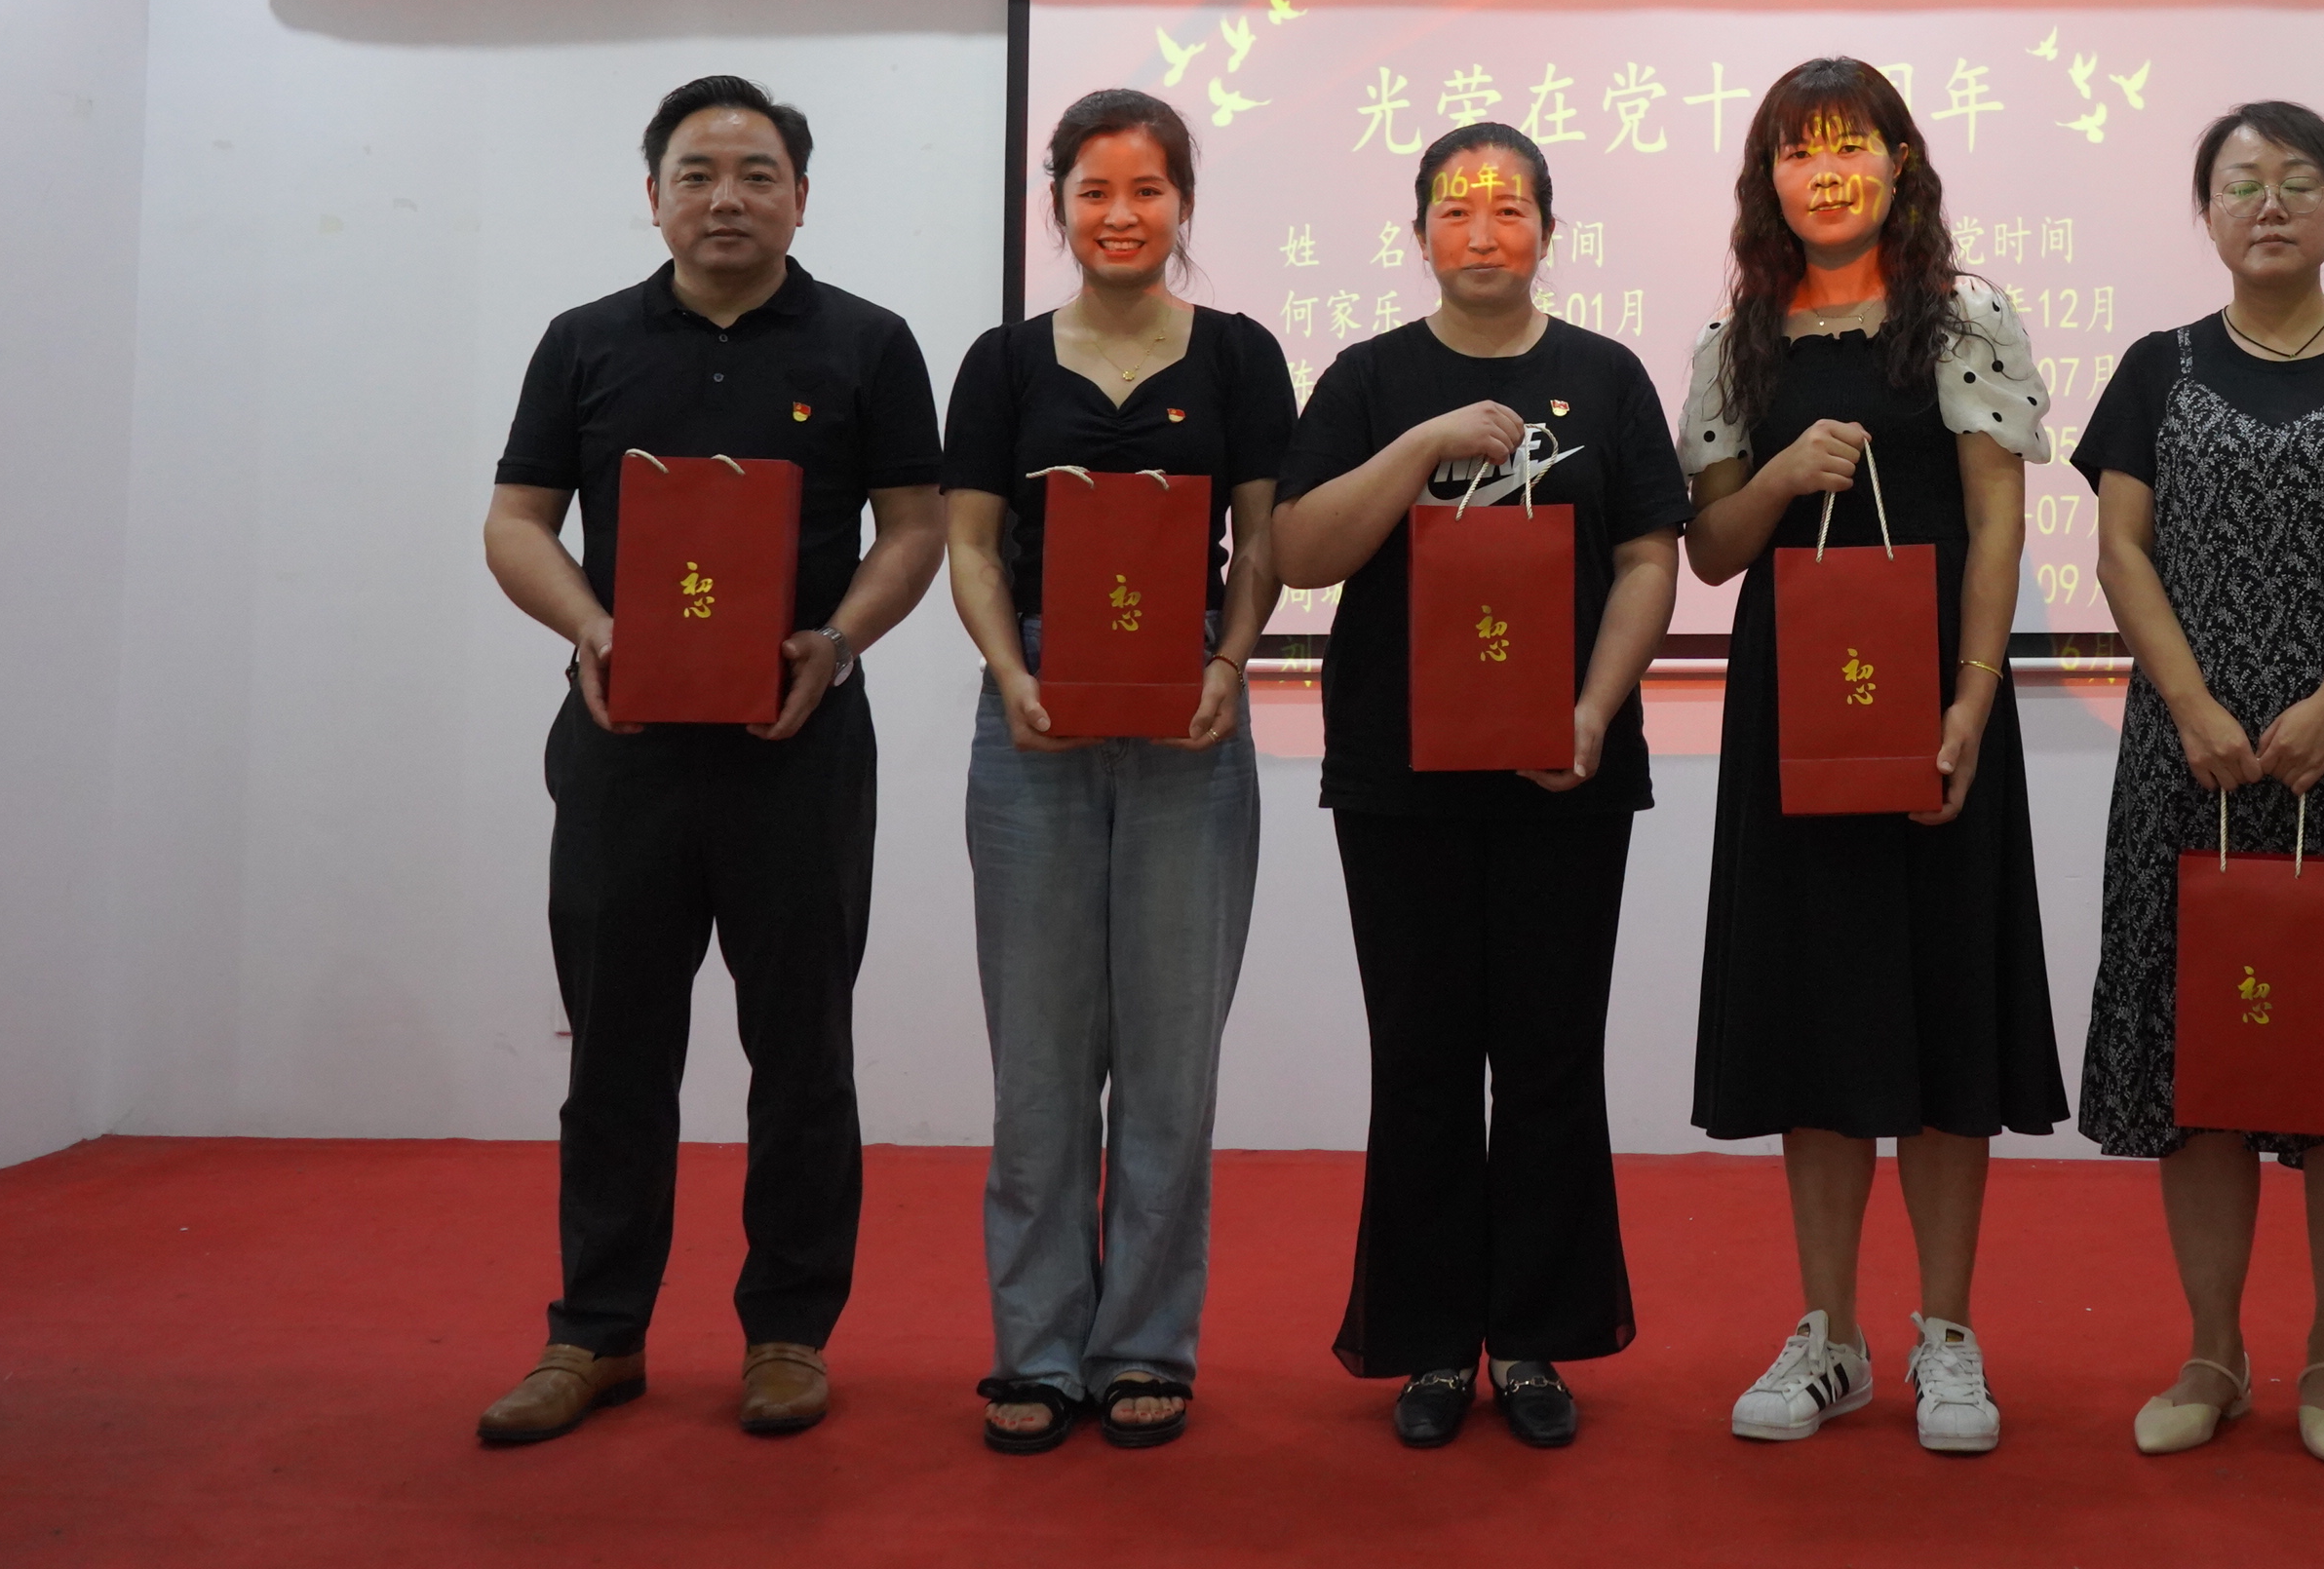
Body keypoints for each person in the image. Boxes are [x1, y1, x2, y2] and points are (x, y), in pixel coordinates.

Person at [473, 75, 945, 1445]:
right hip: (622, 747)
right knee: (616, 1046)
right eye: (696, 174)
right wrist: (592, 629)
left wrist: (837, 644)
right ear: (653, 196)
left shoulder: (867, 343)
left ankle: (788, 1332)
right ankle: (596, 1333)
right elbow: (516, 522)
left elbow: (915, 528)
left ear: (802, 197)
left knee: (801, 1050)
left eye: (756, 175)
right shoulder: (585, 343)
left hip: (798, 746)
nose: (726, 199)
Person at [1273, 123, 1687, 1452]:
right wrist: (1424, 445)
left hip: (1567, 768)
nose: (1485, 229)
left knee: (1554, 1058)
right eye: (1457, 208)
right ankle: (1432, 1343)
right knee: (1425, 1060)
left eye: (1511, 208)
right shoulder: (1368, 377)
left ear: (1549, 231)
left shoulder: (1606, 377)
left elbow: (1648, 559)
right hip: (1399, 775)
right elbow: (1300, 551)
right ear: (1420, 234)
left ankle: (1536, 1338)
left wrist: (1593, 708)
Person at [1676, 58, 2068, 1457]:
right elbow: (1711, 551)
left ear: (1902, 163)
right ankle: (1829, 1334)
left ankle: (1945, 1334)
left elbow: (1996, 524)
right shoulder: (1736, 346)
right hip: (1795, 723)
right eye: (1799, 150)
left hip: (1939, 713)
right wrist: (1783, 477)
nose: (1827, 170)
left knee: (1946, 1008)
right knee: (1817, 1015)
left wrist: (1973, 701)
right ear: (1766, 179)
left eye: (1853, 144)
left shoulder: (1963, 319)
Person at [2075, 100, 2324, 1467]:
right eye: (2241, 183)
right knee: (2203, 1051)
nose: (2270, 205)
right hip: (2186, 757)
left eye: (2299, 182)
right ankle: (2212, 1351)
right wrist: (2192, 704)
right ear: (2206, 211)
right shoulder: (2159, 365)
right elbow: (2122, 548)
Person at [941, 89, 1294, 1455]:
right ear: (1058, 207)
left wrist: (1231, 661)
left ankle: (1144, 1342)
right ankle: (1035, 1350)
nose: (1121, 214)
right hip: (1034, 714)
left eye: (1147, 189)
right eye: (1094, 191)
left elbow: (1260, 542)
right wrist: (1009, 673)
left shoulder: (1241, 357)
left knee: (1169, 1060)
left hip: (1188, 713)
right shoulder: (1004, 364)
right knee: (1037, 1066)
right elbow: (974, 546)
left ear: (1182, 202)